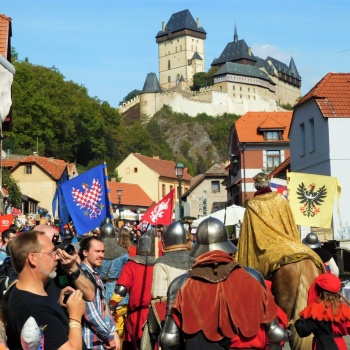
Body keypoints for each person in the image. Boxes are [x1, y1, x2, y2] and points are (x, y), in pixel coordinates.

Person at [160, 217, 285, 350]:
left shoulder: (181, 284)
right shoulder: (253, 277)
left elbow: (170, 340)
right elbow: (275, 333)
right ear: (226, 246)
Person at [6, 230, 86, 349]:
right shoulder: (34, 308)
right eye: (51, 253)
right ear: (33, 259)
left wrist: (56, 305)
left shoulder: (25, 294)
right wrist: (75, 316)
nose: (57, 257)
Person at [237, 172, 324, 278]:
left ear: (255, 186)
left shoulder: (252, 205)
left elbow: (248, 235)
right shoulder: (281, 199)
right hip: (290, 242)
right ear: (268, 184)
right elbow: (290, 223)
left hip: (267, 248)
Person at [145, 222, 195, 348]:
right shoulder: (196, 259)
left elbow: (158, 299)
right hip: (195, 317)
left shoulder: (161, 264)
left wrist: (154, 329)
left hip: (171, 320)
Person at [109, 229, 156, 350]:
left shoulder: (132, 265)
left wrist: (112, 307)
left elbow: (121, 290)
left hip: (139, 318)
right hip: (158, 317)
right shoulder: (160, 265)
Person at [79, 236, 119, 350]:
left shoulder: (94, 274)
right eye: (97, 251)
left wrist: (113, 330)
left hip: (100, 339)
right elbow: (91, 313)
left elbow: (103, 309)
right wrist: (109, 336)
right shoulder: (81, 276)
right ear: (85, 252)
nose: (101, 255)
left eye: (102, 251)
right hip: (90, 340)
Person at [295, 273, 350, 350]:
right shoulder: (344, 308)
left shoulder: (314, 308)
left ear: (320, 290)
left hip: (321, 346)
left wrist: (297, 322)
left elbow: (302, 331)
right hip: (340, 346)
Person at [97, 220, 130, 343]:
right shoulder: (123, 253)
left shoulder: (97, 252)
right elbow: (129, 272)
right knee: (120, 328)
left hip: (101, 292)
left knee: (105, 328)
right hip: (119, 294)